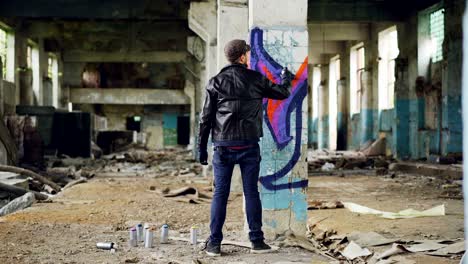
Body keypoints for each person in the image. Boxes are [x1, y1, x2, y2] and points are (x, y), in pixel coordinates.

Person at [197, 39, 291, 256]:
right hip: (249, 146)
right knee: (251, 193)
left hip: (223, 147)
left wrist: (202, 148)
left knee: (220, 194)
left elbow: (205, 118)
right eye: (248, 54)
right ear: (242, 57)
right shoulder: (255, 79)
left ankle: (214, 244)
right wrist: (286, 79)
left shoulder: (215, 82)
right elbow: (282, 93)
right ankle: (257, 242)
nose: (250, 57)